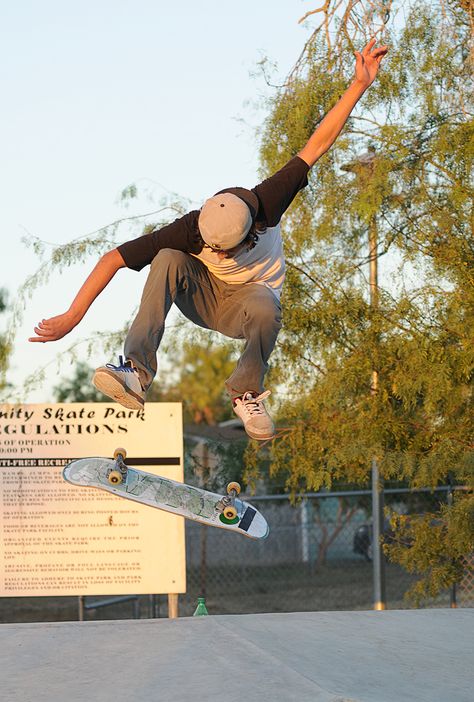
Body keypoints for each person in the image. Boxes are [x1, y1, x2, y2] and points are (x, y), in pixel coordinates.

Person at [30, 39, 388, 441]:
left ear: (252, 228)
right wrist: (72, 316)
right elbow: (113, 258)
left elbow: (317, 143)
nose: (216, 252)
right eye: (211, 246)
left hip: (249, 305)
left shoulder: (270, 201)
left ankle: (246, 392)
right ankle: (136, 371)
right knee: (166, 257)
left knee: (267, 305)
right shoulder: (189, 229)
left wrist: (360, 84)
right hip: (201, 297)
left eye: (224, 249)